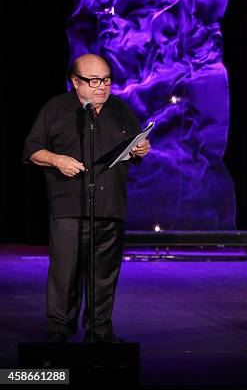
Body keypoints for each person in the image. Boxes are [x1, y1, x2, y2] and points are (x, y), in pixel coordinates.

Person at [23, 54, 151, 343]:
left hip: (110, 206)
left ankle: (100, 330)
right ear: (75, 81)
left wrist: (140, 149)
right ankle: (59, 329)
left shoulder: (120, 109)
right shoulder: (56, 109)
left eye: (106, 80)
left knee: (104, 274)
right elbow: (32, 150)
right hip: (69, 206)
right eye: (94, 81)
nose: (101, 87)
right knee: (65, 272)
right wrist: (57, 160)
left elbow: (134, 146)